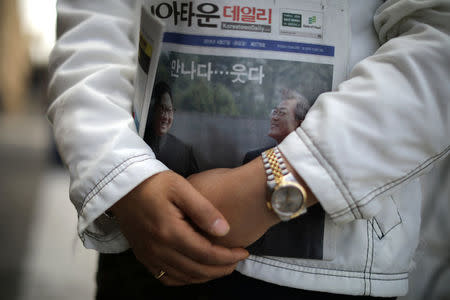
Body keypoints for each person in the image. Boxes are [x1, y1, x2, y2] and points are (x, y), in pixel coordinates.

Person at [47, 0, 450, 299]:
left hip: (333, 273)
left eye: (285, 105)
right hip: (148, 242)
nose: (275, 110)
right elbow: (93, 26)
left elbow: (439, 37)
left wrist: (276, 188)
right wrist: (123, 176)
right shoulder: (207, 151)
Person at [144, 81, 199, 178]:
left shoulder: (184, 152)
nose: (165, 117)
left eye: (169, 110)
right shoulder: (139, 141)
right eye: (161, 108)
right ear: (152, 109)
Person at [243, 89, 311, 164]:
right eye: (275, 112)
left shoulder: (309, 161)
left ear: (299, 123)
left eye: (282, 113)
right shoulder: (254, 158)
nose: (274, 117)